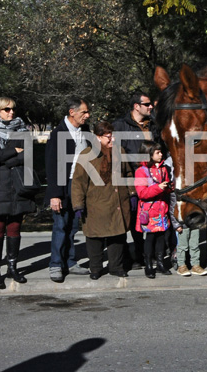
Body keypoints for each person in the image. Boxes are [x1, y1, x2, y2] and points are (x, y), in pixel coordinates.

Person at [0, 97, 38, 289]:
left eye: (12, 109)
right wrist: (15, 152)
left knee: (15, 225)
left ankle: (12, 267)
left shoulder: (22, 131)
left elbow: (27, 156)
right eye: (6, 109)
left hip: (18, 184)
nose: (11, 112)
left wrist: (10, 157)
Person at [72, 121, 131, 279]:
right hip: (96, 203)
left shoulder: (120, 152)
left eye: (113, 136)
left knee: (117, 236)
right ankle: (96, 268)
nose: (112, 140)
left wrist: (132, 194)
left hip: (118, 201)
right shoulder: (86, 155)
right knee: (94, 238)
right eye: (108, 137)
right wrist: (78, 204)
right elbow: (78, 181)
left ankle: (116, 267)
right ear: (98, 137)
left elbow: (128, 174)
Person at [45, 96, 92, 282]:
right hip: (63, 186)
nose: (87, 116)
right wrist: (55, 194)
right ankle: (55, 264)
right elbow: (51, 166)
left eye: (88, 112)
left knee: (73, 226)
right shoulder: (58, 134)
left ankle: (70, 262)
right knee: (60, 226)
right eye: (84, 112)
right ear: (72, 112)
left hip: (79, 186)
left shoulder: (85, 131)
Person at [112, 91, 154, 270]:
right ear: (136, 106)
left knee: (151, 218)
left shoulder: (154, 125)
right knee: (132, 219)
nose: (151, 106)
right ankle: (132, 257)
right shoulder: (120, 126)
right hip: (131, 179)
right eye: (147, 104)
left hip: (153, 178)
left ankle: (149, 255)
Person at [135, 140, 173, 278]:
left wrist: (170, 187)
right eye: (157, 152)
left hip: (162, 208)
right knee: (150, 238)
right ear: (149, 154)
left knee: (162, 237)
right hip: (150, 211)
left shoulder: (163, 169)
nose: (161, 154)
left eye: (161, 152)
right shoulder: (141, 171)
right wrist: (158, 188)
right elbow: (142, 193)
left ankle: (161, 262)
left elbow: (167, 187)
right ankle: (149, 264)